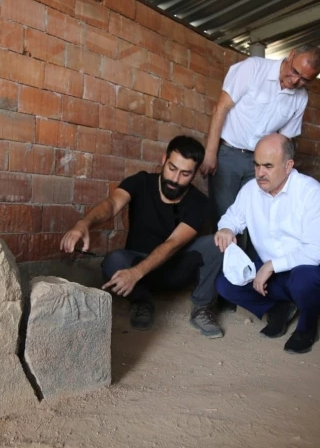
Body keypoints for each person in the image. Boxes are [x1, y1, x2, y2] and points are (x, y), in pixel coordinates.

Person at [60, 136, 224, 338]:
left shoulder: (199, 202)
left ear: (194, 174)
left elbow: (174, 243)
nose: (175, 179)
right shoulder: (141, 181)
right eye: (172, 168)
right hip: (138, 269)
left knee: (216, 243)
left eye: (185, 174)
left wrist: (135, 273)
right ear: (164, 160)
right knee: (114, 260)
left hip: (175, 271)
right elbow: (112, 204)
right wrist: (83, 223)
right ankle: (141, 301)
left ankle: (202, 307)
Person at [213, 134, 320, 354]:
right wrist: (226, 228)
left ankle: (306, 328)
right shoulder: (251, 190)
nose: (260, 173)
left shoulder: (311, 193)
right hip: (272, 275)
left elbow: (318, 252)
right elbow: (232, 217)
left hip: (311, 272)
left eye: (268, 166)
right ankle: (277, 309)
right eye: (257, 165)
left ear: (288, 165)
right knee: (225, 284)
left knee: (304, 281)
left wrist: (271, 265)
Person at [200, 44, 320, 223]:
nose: (295, 81)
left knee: (256, 218)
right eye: (294, 71)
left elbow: (285, 140)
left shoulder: (301, 98)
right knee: (225, 217)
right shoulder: (253, 68)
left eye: (304, 80)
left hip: (261, 164)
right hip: (228, 155)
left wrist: (280, 172)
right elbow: (221, 108)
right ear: (290, 55)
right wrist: (211, 153)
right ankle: (225, 252)